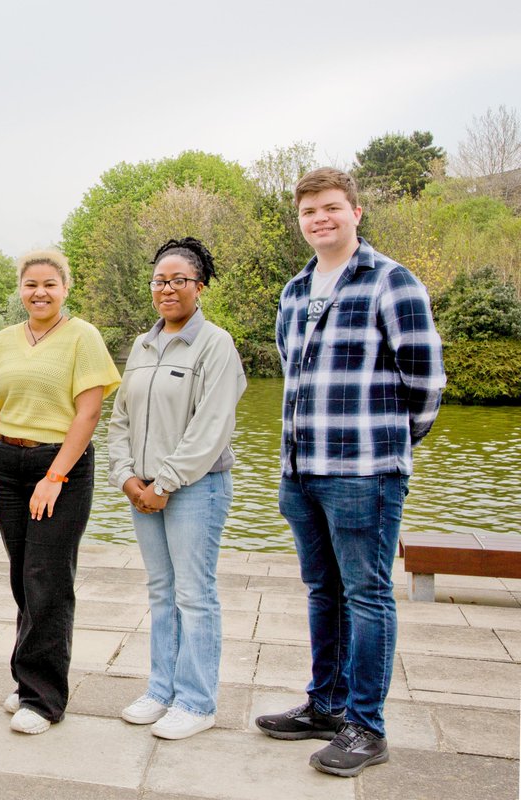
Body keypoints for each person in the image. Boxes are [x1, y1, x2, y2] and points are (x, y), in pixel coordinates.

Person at [256, 168, 445, 777]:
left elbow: (425, 379)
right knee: (323, 591)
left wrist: (390, 443)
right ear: (301, 220)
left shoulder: (392, 282)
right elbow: (294, 373)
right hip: (301, 470)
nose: (321, 219)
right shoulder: (294, 290)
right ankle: (327, 705)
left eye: (332, 208)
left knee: (367, 596)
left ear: (356, 212)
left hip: (365, 471)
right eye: (310, 211)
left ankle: (367, 727)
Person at [106, 237, 247, 740]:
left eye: (178, 280)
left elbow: (211, 427)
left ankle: (196, 701)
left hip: (194, 490)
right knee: (162, 591)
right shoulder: (143, 346)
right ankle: (161, 690)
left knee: (194, 593)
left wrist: (164, 482)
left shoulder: (216, 345)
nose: (167, 289)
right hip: (141, 490)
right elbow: (119, 419)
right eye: (159, 281)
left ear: (199, 287)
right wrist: (125, 476)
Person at [0, 249, 120, 735]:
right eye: (31, 284)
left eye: (49, 284)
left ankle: (44, 699)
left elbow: (88, 414)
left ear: (65, 288)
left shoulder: (83, 337)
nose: (39, 292)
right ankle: (26, 681)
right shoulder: (4, 340)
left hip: (59, 464)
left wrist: (54, 478)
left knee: (48, 580)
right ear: (21, 288)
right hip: (7, 464)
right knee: (22, 577)